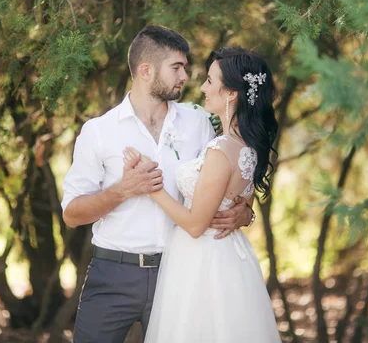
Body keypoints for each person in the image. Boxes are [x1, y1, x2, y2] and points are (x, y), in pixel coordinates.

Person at [60, 26, 255, 342]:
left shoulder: (199, 123)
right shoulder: (98, 131)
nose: (185, 76)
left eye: (185, 67)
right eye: (176, 67)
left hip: (179, 273)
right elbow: (71, 213)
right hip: (113, 274)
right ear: (145, 70)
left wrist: (246, 211)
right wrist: (124, 189)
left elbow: (230, 175)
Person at [123, 47, 282, 342]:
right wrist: (245, 214)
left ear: (232, 93)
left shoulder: (220, 151)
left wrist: (150, 186)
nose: (204, 88)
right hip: (232, 255)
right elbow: (241, 203)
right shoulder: (249, 147)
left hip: (202, 259)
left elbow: (196, 225)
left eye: (210, 81)